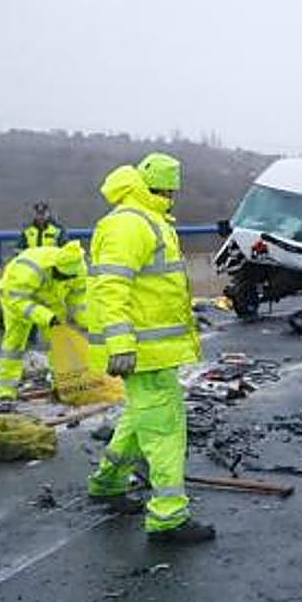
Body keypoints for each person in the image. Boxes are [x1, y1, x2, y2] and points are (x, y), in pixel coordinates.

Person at [85, 153, 214, 543]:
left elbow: (151, 287)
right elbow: (111, 286)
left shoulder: (148, 219)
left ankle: (107, 482)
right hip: (142, 350)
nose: (173, 196)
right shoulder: (131, 223)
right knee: (164, 430)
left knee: (139, 420)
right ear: (160, 187)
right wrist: (121, 343)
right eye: (170, 189)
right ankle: (168, 516)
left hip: (152, 349)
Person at [0, 240, 89, 409]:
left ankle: (60, 386)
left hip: (51, 299)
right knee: (14, 346)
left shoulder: (77, 269)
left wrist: (87, 322)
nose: (65, 280)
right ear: (54, 267)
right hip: (16, 299)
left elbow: (78, 301)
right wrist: (46, 317)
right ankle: (6, 392)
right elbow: (17, 300)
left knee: (58, 343)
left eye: (68, 278)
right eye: (62, 276)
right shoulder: (29, 269)